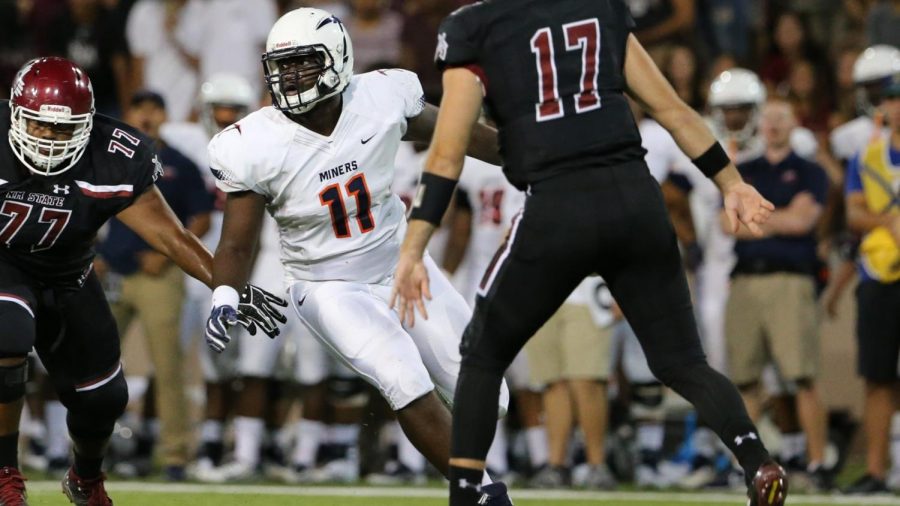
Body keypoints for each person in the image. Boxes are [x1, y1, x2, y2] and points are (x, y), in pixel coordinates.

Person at [390, 2, 786, 505]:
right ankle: (756, 460)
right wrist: (731, 182)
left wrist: (414, 246)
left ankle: (467, 494)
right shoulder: (598, 8)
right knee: (684, 362)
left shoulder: (473, 27)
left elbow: (447, 152)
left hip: (558, 207)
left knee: (483, 354)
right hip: (635, 202)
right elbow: (671, 109)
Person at [204, 8, 513, 504]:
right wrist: (224, 292)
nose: (291, 76)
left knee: (489, 398)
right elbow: (238, 241)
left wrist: (533, 157)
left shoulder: (380, 98)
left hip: (400, 265)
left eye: (304, 62)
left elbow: (455, 134)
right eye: (282, 67)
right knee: (401, 376)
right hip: (327, 285)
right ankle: (480, 496)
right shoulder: (255, 143)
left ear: (338, 58)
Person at [0, 57, 284, 505]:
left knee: (103, 399)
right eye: (40, 127)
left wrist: (225, 283)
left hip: (68, 274)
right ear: (15, 114)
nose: (51, 140)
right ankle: (4, 474)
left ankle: (86, 478)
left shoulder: (113, 154)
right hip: (5, 265)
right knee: (8, 331)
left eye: (64, 129)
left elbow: (170, 235)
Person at [98, 90, 214, 481]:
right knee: (91, 364)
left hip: (158, 277)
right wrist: (92, 254)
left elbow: (201, 217)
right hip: (111, 271)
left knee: (168, 367)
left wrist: (166, 256)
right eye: (139, 107)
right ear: (128, 113)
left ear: (166, 116)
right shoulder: (109, 157)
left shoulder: (180, 162)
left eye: (154, 109)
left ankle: (176, 455)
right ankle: (84, 449)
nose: (147, 116)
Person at [721, 99, 831, 491]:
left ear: (793, 124)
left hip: (789, 279)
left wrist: (757, 219)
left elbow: (802, 221)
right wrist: (777, 218)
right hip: (746, 279)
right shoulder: (743, 170)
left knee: (802, 375)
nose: (772, 125)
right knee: (745, 380)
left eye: (780, 118)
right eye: (767, 118)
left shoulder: (809, 170)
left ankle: (818, 464)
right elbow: (727, 223)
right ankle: (748, 467)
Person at [842, 75, 900, 495]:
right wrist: (888, 221)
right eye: (892, 100)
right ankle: (877, 471)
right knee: (877, 376)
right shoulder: (867, 156)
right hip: (880, 272)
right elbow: (853, 215)